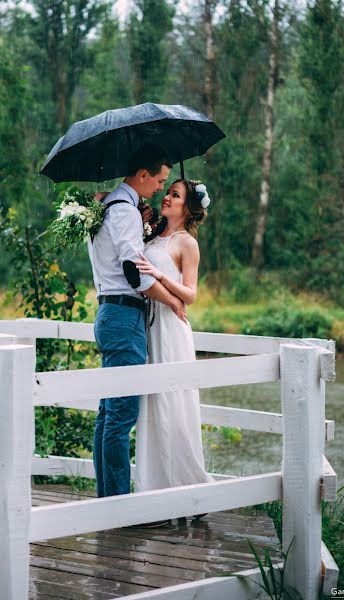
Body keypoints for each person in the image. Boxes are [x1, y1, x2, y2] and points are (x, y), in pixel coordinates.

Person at [89, 144, 186, 498]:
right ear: (142, 175)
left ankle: (107, 498)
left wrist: (141, 223)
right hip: (125, 316)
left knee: (108, 414)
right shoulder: (124, 212)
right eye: (159, 180)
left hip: (109, 313)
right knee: (120, 417)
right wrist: (173, 299)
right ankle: (116, 504)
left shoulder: (109, 206)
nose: (161, 187)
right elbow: (135, 274)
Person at [134, 179, 213, 495]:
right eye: (168, 192)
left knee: (174, 403)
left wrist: (160, 275)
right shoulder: (152, 232)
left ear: (188, 207)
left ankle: (187, 485)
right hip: (149, 325)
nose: (166, 197)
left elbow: (190, 295)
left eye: (175, 195)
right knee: (152, 404)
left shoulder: (186, 243)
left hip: (172, 327)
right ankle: (153, 487)